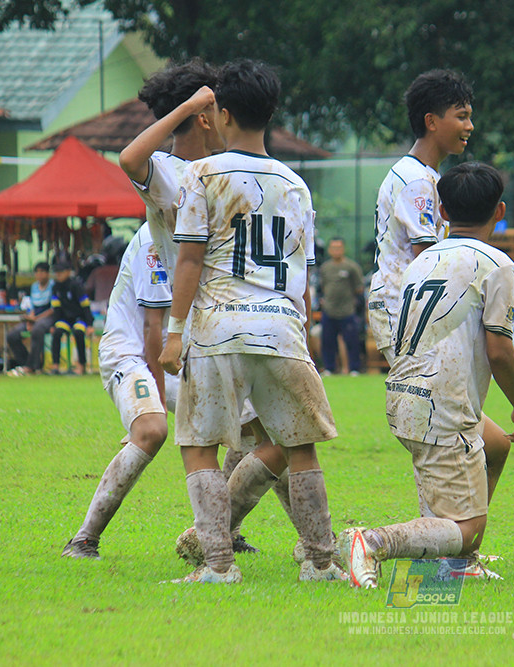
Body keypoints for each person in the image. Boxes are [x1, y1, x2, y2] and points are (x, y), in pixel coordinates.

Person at [159, 59, 341, 584]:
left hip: (219, 329)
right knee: (298, 443)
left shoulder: (203, 173)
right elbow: (302, 274)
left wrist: (175, 334)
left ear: (221, 114)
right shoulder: (296, 185)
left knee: (199, 444)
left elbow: (191, 258)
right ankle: (321, 562)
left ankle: (218, 566)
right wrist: (300, 339)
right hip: (283, 328)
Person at [118, 59, 301, 568]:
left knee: (274, 435)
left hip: (236, 317)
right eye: (213, 107)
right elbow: (131, 158)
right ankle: (223, 542)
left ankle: (224, 539)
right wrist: (193, 103)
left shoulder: (225, 171)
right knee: (271, 436)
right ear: (205, 115)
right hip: (201, 324)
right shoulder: (174, 174)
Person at [340, 162, 514, 589]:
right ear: (500, 211)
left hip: (403, 391)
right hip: (442, 402)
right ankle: (371, 541)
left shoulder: (420, 261)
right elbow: (499, 350)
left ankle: (457, 559)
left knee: (496, 445)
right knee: (467, 525)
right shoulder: (497, 263)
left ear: (442, 212)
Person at [367, 70, 510, 505]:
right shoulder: (418, 181)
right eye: (461, 116)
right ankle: (441, 544)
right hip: (407, 311)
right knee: (443, 424)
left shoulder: (420, 175)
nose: (470, 126)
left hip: (407, 308)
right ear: (432, 121)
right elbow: (429, 262)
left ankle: (451, 539)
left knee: (489, 443)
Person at [61, 225, 172, 558]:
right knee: (152, 429)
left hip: (176, 351)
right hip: (130, 351)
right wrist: (160, 400)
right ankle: (83, 539)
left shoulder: (208, 230)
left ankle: (227, 531)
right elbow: (153, 327)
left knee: (254, 422)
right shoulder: (155, 239)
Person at [318, 237, 364, 375]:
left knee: (351, 341)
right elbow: (322, 286)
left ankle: (354, 368)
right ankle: (329, 368)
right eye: (333, 248)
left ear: (343, 249)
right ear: (329, 250)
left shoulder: (351, 267)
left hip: (347, 311)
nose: (336, 250)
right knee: (327, 341)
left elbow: (359, 288)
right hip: (329, 310)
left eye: (339, 247)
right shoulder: (325, 268)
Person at [7, 261, 55, 376]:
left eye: (42, 272)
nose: (40, 275)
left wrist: (36, 320)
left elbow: (53, 309)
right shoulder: (34, 287)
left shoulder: (52, 286)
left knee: (37, 330)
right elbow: (33, 306)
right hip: (35, 318)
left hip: (47, 317)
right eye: (37, 272)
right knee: (12, 335)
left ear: (48, 274)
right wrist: (30, 320)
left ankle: (32, 366)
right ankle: (26, 363)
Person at [48, 261, 93, 375]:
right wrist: (53, 324)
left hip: (79, 317)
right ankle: (55, 366)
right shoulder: (55, 287)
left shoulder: (76, 285)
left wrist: (90, 324)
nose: (58, 275)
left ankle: (81, 365)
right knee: (57, 333)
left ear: (68, 272)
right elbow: (56, 308)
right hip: (65, 319)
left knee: (78, 332)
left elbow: (85, 305)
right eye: (56, 272)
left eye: (61, 272)